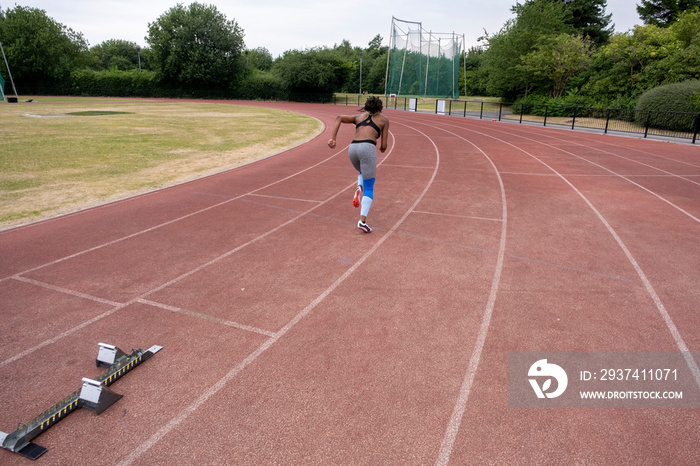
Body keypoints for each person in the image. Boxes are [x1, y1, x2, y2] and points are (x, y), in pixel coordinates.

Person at [327, 96, 390, 233]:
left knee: (363, 172)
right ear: (380, 108)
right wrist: (382, 149)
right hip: (367, 148)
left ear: (366, 107)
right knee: (370, 186)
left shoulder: (358, 117)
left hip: (352, 149)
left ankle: (359, 188)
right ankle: (362, 221)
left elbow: (339, 118)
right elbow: (384, 145)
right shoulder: (384, 120)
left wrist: (333, 138)